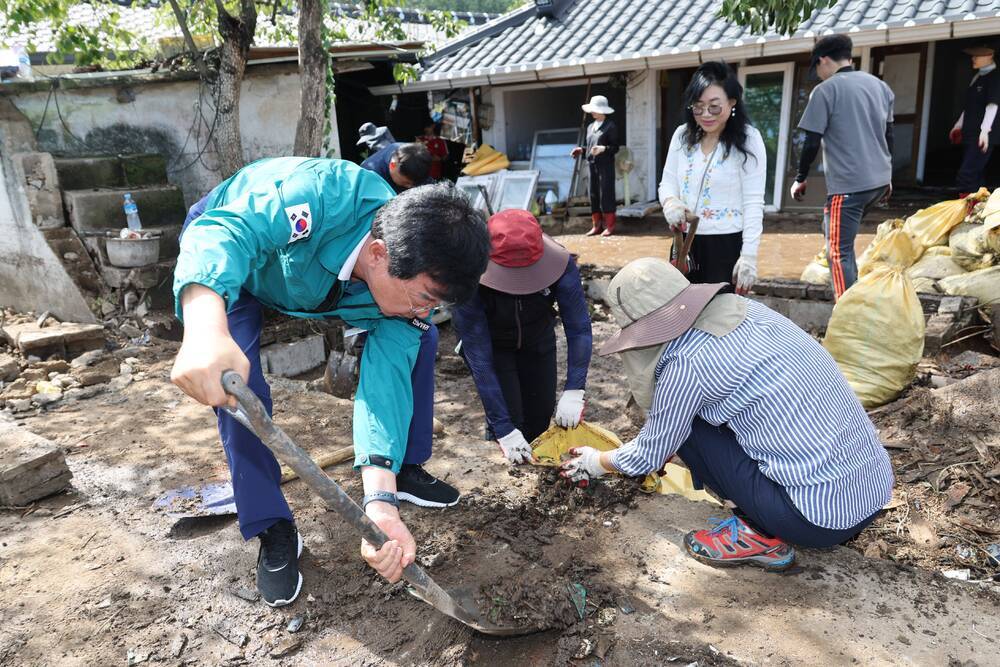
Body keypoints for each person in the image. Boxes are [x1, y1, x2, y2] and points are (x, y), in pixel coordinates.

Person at [171, 158, 489, 605]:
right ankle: (272, 526)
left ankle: (401, 470)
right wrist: (205, 328)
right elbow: (224, 234)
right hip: (232, 262)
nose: (424, 309)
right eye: (424, 298)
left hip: (325, 285)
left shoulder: (404, 273)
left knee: (420, 340)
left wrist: (380, 506)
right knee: (239, 389)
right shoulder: (314, 197)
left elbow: (383, 387)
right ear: (379, 254)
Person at [559, 257, 893, 571]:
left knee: (685, 428)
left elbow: (649, 455)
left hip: (816, 520)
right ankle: (765, 513)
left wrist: (595, 461)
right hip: (871, 491)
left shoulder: (684, 363)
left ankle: (757, 534)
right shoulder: (748, 311)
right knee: (690, 418)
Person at [451, 209, 593, 463]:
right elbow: (478, 355)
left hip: (538, 340)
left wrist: (575, 388)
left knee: (540, 417)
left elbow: (579, 327)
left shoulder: (561, 264)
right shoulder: (466, 276)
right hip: (494, 347)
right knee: (508, 419)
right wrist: (503, 428)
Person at [791, 34, 894, 300]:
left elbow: (811, 140)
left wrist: (801, 177)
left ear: (823, 60)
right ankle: (857, 293)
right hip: (879, 182)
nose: (818, 72)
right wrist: (888, 174)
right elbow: (889, 135)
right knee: (837, 234)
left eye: (817, 66)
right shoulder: (879, 86)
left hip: (849, 186)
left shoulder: (825, 90)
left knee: (837, 252)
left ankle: (849, 313)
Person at [657, 61, 766, 294]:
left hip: (726, 245)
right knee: (683, 311)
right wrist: (670, 202)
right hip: (685, 243)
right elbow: (667, 182)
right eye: (698, 107)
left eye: (715, 107)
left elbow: (754, 202)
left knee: (721, 317)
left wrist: (748, 256)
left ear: (732, 102)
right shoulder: (682, 137)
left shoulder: (749, 140)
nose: (706, 114)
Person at [949, 44, 1000, 196]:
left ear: (990, 56)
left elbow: (993, 105)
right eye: (973, 55)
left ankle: (965, 211)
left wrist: (985, 130)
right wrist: (958, 125)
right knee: (976, 174)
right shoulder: (977, 77)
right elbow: (969, 106)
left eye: (977, 55)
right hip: (970, 133)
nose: (973, 58)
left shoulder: (995, 77)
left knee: (967, 174)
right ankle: (977, 210)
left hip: (982, 135)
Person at [571, 95, 619, 237]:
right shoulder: (591, 127)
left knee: (606, 193)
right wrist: (582, 150)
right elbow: (591, 146)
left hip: (606, 165)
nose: (592, 112)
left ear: (602, 111)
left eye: (595, 110)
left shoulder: (611, 127)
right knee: (593, 194)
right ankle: (596, 225)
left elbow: (615, 147)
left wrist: (603, 148)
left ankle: (610, 225)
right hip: (592, 164)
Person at [360, 141, 432, 194]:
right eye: (406, 183)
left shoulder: (415, 155)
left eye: (415, 183)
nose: (410, 187)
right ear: (392, 165)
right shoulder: (370, 176)